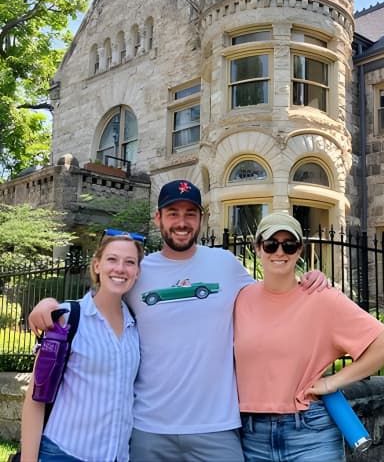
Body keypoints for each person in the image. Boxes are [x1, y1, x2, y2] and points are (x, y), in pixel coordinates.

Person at [28, 179, 327, 462]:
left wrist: (306, 279)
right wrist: (49, 304)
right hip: (149, 428)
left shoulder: (224, 264)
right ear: (158, 218)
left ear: (201, 218)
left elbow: (270, 296)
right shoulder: (138, 269)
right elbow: (101, 301)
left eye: (190, 213)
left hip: (217, 426)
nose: (181, 222)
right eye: (173, 213)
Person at [234, 212, 384, 462]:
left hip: (310, 433)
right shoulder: (240, 298)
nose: (280, 252)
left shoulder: (322, 298)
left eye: (289, 245)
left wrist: (332, 382)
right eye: (271, 244)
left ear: (300, 249)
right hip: (252, 435)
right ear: (258, 248)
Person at [21, 233, 144, 462]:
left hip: (116, 457)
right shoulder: (67, 319)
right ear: (97, 265)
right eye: (112, 259)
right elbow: (36, 397)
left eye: (130, 262)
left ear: (137, 272)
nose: (120, 268)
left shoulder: (136, 327)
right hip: (63, 453)